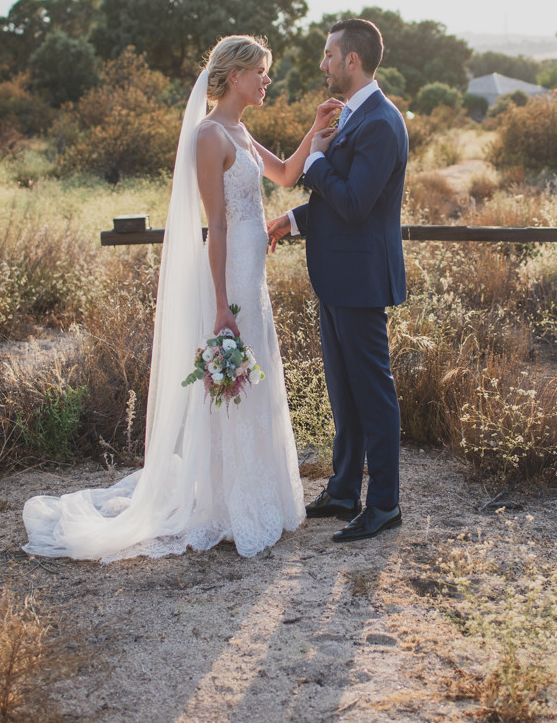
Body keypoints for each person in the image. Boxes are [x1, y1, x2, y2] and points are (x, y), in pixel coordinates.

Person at [23, 35, 339, 561]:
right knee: (233, 384)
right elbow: (214, 225)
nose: (267, 80)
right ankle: (227, 505)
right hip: (232, 279)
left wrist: (315, 131)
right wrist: (219, 306)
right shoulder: (209, 136)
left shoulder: (239, 129)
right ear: (234, 74)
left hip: (253, 275)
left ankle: (258, 497)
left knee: (255, 381)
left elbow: (284, 173)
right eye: (260, 71)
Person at [267, 18, 409, 543]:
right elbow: (340, 199)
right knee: (343, 394)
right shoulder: (355, 116)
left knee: (373, 395)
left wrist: (317, 160)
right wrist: (295, 219)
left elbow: (354, 204)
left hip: (361, 279)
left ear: (352, 60)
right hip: (337, 277)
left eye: (329, 55)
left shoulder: (380, 122)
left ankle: (386, 505)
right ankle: (346, 488)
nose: (322, 64)